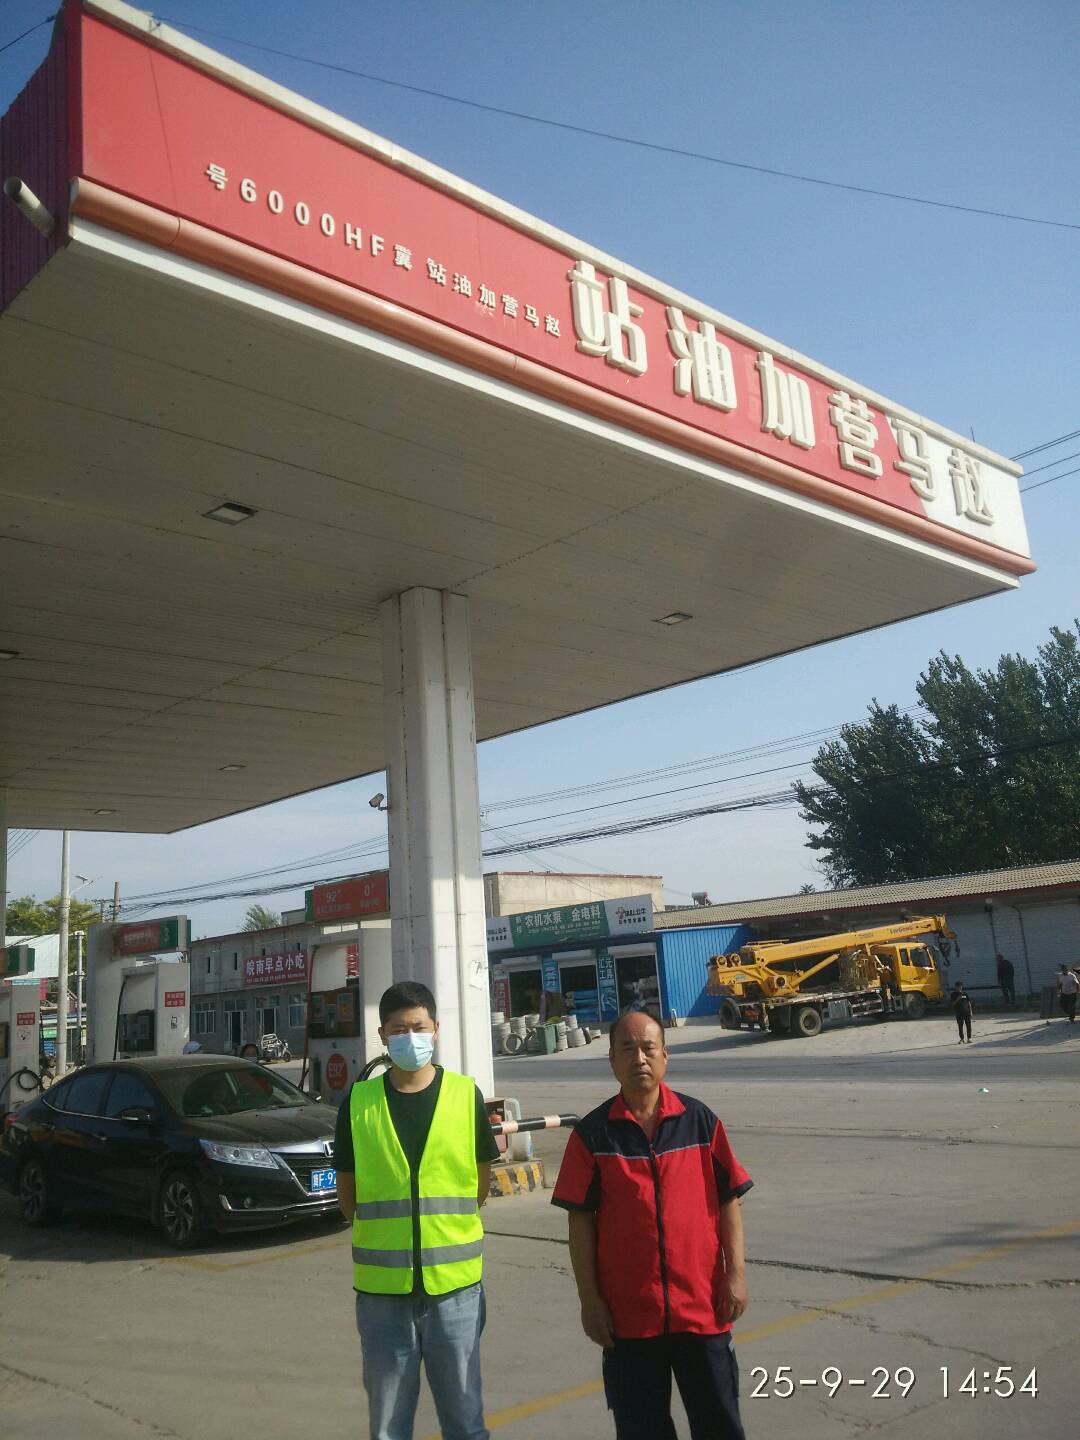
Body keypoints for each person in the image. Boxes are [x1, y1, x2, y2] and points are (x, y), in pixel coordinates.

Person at [551, 1010, 751, 1440]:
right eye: (627, 1049)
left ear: (665, 1055)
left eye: (648, 1048)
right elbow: (580, 1223)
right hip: (629, 1318)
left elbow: (729, 1201)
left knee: (719, 1424)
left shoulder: (700, 1122)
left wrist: (735, 1275)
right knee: (642, 1429)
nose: (639, 1058)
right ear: (611, 1060)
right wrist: (590, 1300)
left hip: (702, 1309)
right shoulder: (593, 1135)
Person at [335, 981, 500, 1440]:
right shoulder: (358, 1104)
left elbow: (479, 1185)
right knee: (388, 1427)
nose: (411, 1037)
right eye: (399, 1029)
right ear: (383, 1036)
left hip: (455, 1291)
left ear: (436, 1029)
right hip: (383, 1295)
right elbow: (348, 1198)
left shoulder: (465, 1096)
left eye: (419, 1027)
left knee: (465, 1422)